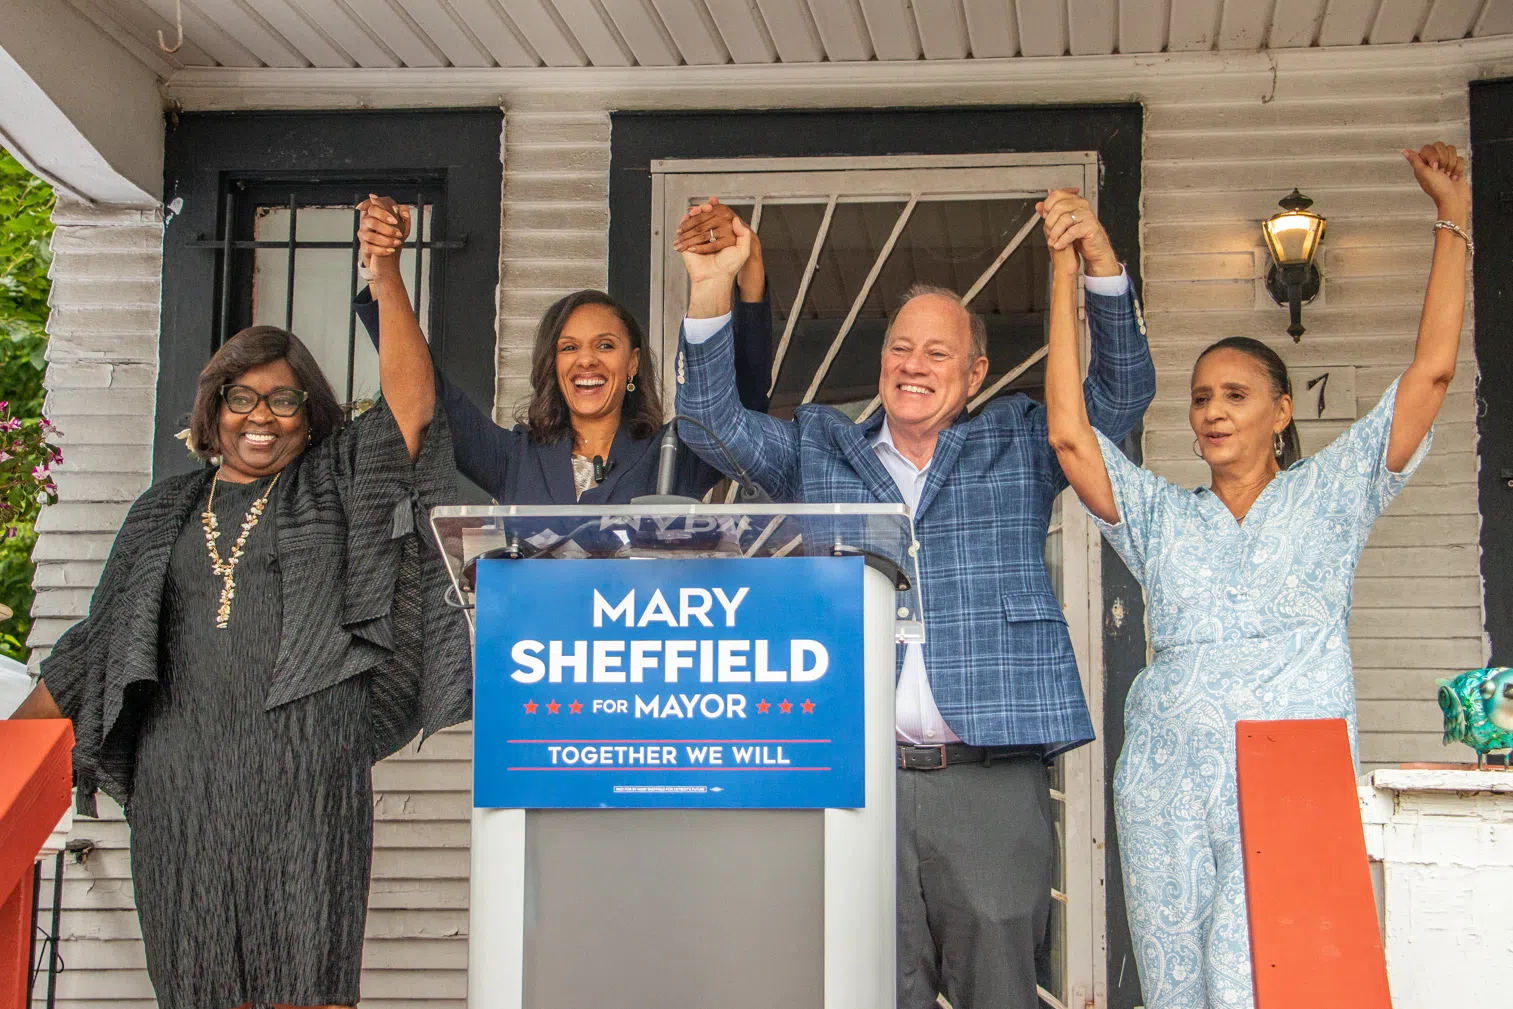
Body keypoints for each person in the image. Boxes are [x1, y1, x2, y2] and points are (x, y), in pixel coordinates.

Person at [672, 199, 1156, 1008]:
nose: (913, 364)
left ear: (973, 375)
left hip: (988, 780)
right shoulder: (819, 449)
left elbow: (1119, 397)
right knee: (868, 988)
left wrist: (1099, 264)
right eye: (900, 346)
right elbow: (709, 424)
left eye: (938, 351)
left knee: (998, 988)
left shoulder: (1020, 438)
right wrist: (710, 286)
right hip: (856, 779)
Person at [1043, 143, 1468, 1009]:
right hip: (1167, 772)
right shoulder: (1163, 515)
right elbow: (1068, 435)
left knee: (1269, 979)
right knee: (1176, 985)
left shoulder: (1331, 494)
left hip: (1291, 767)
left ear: (1280, 412)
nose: (1211, 411)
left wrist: (1451, 219)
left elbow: (1429, 373)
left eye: (1234, 395)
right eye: (1200, 397)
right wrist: (1062, 268)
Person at [9, 317, 471, 1009]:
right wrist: (11, 748)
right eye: (241, 398)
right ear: (214, 409)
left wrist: (384, 277)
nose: (261, 417)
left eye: (283, 399)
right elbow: (98, 642)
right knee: (197, 984)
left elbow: (411, 407)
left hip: (304, 778)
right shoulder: (164, 509)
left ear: (308, 414)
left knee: (308, 984)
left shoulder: (333, 487)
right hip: (180, 786)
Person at [353, 195, 773, 503]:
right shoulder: (514, 459)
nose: (586, 359)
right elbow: (430, 397)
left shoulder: (674, 455)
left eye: (605, 345)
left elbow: (743, 405)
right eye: (568, 347)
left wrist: (747, 268)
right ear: (553, 366)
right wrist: (384, 272)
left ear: (633, 363)